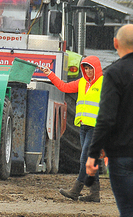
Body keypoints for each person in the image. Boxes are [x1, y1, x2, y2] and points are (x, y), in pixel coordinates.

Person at [87, 24, 133, 217]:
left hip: (122, 156)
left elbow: (105, 119)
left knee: (128, 214)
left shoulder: (113, 73)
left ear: (115, 43)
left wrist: (93, 154)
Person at [40, 55, 103, 202]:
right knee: (90, 160)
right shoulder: (81, 83)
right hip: (84, 127)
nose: (87, 71)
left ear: (96, 69)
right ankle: (95, 194)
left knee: (85, 159)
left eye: (90, 68)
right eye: (85, 68)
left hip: (97, 128)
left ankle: (76, 190)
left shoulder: (104, 84)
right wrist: (50, 74)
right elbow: (64, 87)